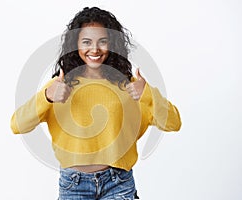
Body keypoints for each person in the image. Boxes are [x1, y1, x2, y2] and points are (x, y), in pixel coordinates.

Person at [10, 7, 181, 200]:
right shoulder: (59, 86)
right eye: (86, 42)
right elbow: (17, 125)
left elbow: (174, 123)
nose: (94, 49)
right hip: (73, 185)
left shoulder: (129, 86)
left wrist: (148, 93)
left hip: (119, 184)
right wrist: (46, 96)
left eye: (103, 41)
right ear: (75, 45)